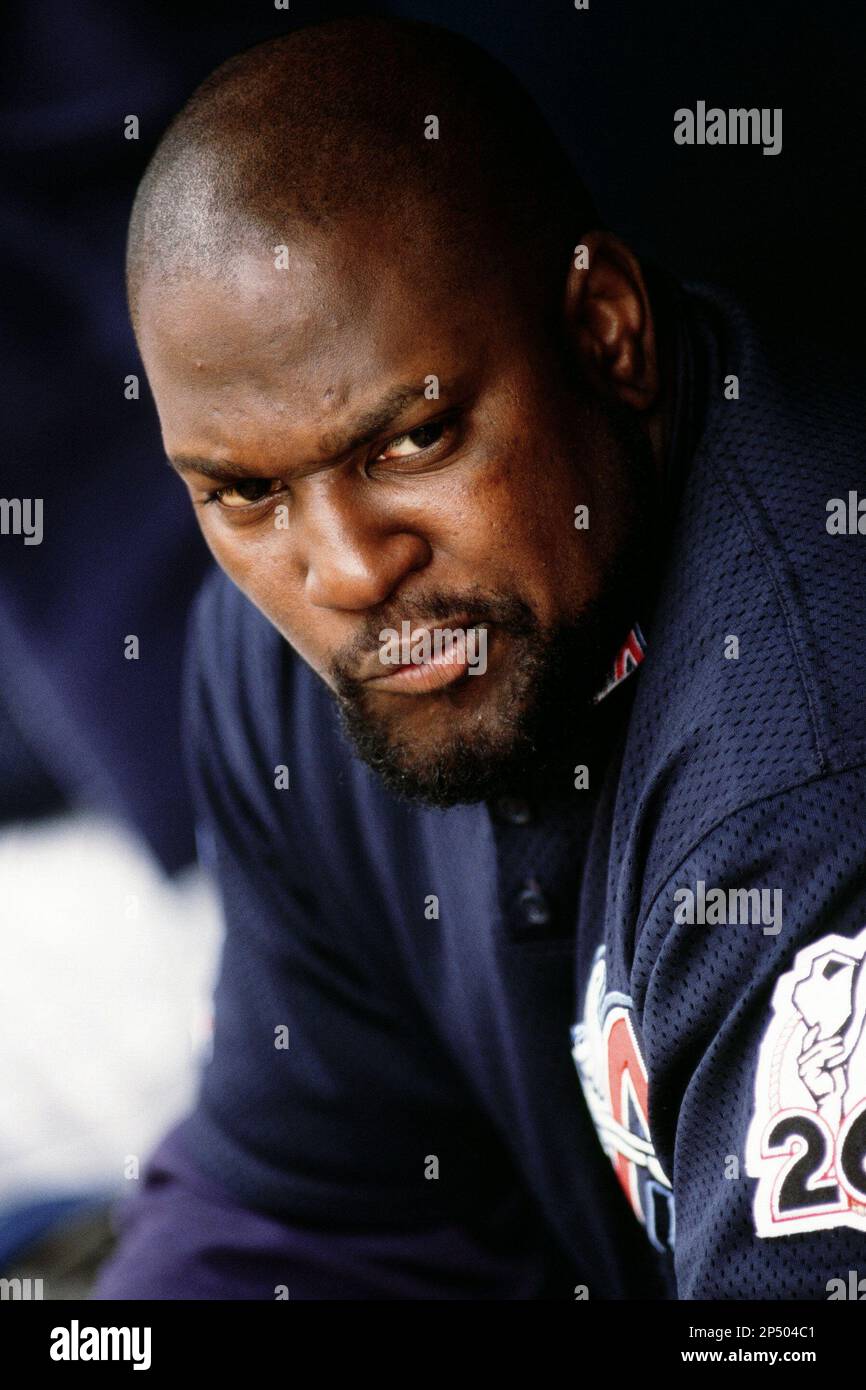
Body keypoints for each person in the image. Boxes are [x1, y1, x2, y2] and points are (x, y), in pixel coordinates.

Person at [93, 15, 866, 1300]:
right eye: (241, 491)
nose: (342, 569)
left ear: (605, 335)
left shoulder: (809, 779)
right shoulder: (290, 662)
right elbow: (307, 1215)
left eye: (411, 441)